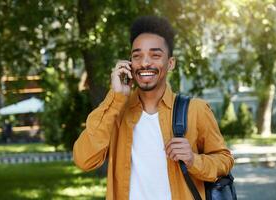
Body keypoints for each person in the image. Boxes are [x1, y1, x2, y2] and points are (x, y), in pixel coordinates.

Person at [73, 16, 234, 200]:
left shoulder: (195, 110)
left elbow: (225, 160)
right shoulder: (116, 112)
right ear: (129, 63)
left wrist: (193, 160)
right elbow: (83, 159)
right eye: (137, 56)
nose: (145, 63)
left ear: (170, 63)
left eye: (155, 55)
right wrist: (116, 97)